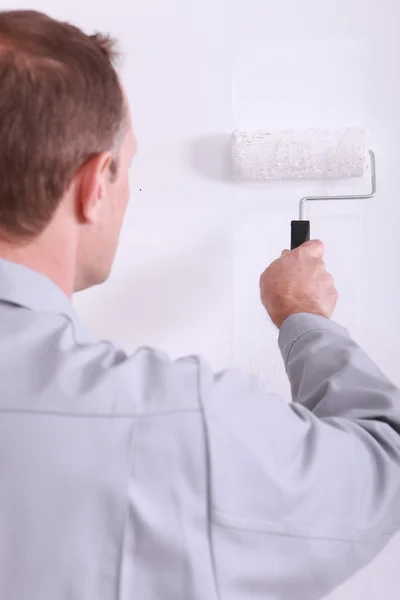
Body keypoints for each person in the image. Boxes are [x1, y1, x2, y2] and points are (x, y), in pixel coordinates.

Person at [0, 9, 398, 600]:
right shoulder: (177, 424)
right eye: (125, 167)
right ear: (93, 185)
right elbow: (381, 465)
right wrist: (303, 318)